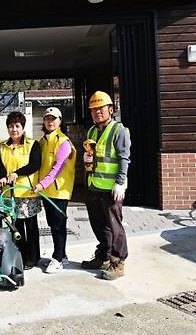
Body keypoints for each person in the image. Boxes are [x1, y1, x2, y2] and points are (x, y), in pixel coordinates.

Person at [80, 91, 131, 280]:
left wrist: (120, 183)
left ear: (110, 109)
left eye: (100, 109)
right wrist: (87, 159)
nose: (97, 113)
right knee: (99, 225)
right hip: (94, 186)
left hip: (111, 189)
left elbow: (124, 159)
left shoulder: (119, 130)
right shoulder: (92, 131)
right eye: (93, 110)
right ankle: (103, 256)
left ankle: (118, 263)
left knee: (115, 227)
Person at [0, 111, 42, 270]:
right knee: (16, 227)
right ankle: (21, 255)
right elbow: (0, 166)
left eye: (17, 126)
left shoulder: (32, 144)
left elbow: (35, 164)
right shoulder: (2, 146)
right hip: (10, 194)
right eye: (11, 126)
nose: (14, 129)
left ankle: (34, 257)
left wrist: (17, 173)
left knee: (31, 226)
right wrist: (2, 177)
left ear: (23, 127)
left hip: (27, 192)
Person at [33, 107, 77, 274]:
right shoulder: (43, 141)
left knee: (58, 225)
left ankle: (57, 258)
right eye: (47, 118)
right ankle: (62, 253)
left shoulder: (63, 142)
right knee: (53, 224)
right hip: (46, 191)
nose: (50, 121)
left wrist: (41, 184)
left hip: (59, 191)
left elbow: (57, 168)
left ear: (60, 121)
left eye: (54, 118)